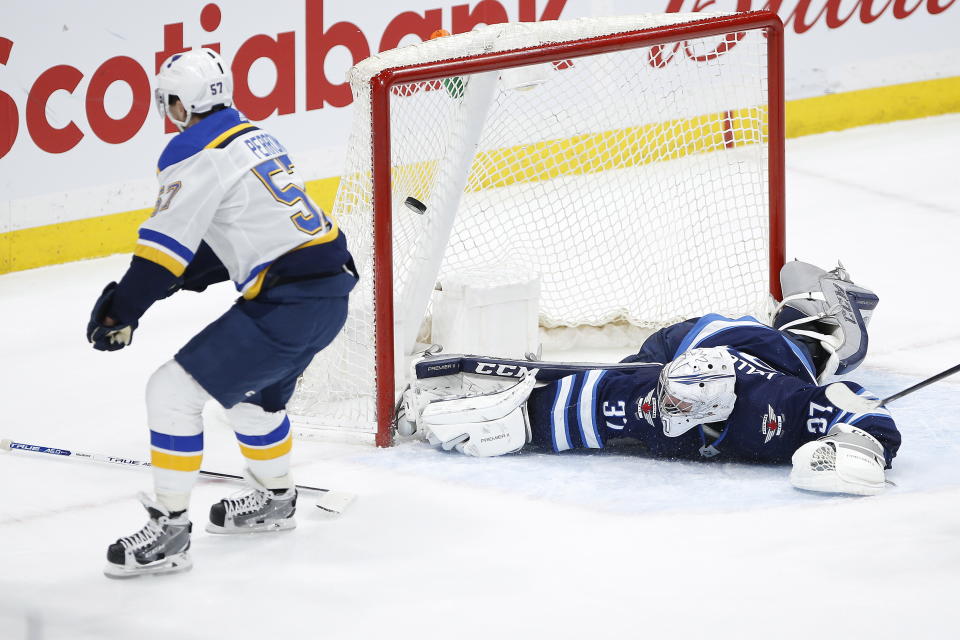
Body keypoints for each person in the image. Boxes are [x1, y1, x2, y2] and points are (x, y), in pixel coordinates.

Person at [87, 48, 357, 578]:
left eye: (168, 102)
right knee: (253, 404)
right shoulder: (253, 135)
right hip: (329, 295)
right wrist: (172, 282)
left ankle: (168, 530)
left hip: (289, 304)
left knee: (169, 391)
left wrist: (122, 310)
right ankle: (276, 501)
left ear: (179, 104)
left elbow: (163, 252)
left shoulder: (193, 150)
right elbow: (241, 234)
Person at [401, 260, 901, 496]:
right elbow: (585, 402)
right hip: (678, 349)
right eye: (668, 401)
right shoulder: (650, 397)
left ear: (715, 407)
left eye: (679, 408)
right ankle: (812, 307)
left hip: (754, 351)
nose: (662, 410)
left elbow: (857, 403)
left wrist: (859, 443)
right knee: (627, 380)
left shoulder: (780, 405)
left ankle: (826, 302)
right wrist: (522, 416)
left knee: (820, 352)